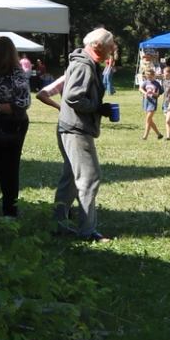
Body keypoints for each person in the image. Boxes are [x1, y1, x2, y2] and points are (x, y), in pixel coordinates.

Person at [51, 27, 116, 241]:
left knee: (70, 179)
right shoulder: (83, 65)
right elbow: (73, 97)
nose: (112, 50)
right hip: (76, 129)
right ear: (98, 46)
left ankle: (59, 225)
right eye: (110, 46)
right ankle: (87, 232)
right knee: (89, 178)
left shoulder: (85, 63)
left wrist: (97, 106)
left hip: (70, 127)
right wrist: (97, 108)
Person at [0, 36, 32, 219]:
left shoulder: (17, 74)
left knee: (9, 168)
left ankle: (10, 212)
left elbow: (23, 103)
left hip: (12, 125)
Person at [138, 60, 162, 140]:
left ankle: (145, 136)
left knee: (148, 119)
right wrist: (145, 93)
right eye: (148, 77)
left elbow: (158, 94)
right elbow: (140, 88)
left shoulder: (157, 84)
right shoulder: (146, 82)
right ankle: (158, 134)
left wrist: (152, 93)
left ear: (154, 75)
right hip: (146, 102)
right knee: (150, 120)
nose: (149, 78)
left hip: (153, 103)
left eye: (151, 77)